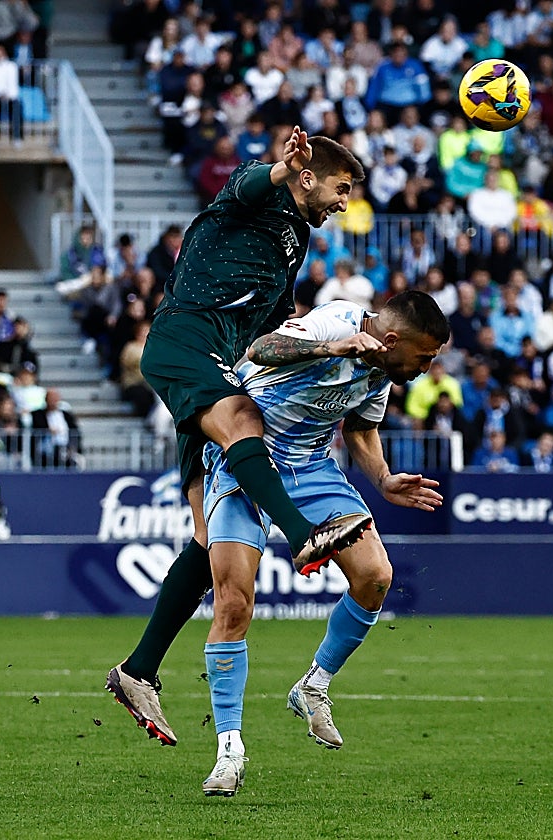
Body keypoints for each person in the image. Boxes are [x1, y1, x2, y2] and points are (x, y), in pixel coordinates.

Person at [106, 128, 371, 747]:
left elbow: (269, 320)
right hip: (184, 341)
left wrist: (307, 338)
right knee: (245, 423)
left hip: (219, 360)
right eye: (340, 189)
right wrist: (281, 166)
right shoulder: (257, 191)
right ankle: (303, 534)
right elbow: (250, 183)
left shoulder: (295, 240)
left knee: (206, 539)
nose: (343, 203)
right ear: (307, 176)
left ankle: (137, 671)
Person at [200, 291, 450, 796]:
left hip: (310, 468)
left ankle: (313, 686)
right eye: (424, 357)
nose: (426, 369)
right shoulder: (336, 321)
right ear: (393, 339)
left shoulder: (382, 370)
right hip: (244, 457)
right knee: (233, 603)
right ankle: (229, 751)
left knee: (375, 576)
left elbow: (360, 429)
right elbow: (262, 349)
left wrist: (382, 478)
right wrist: (333, 347)